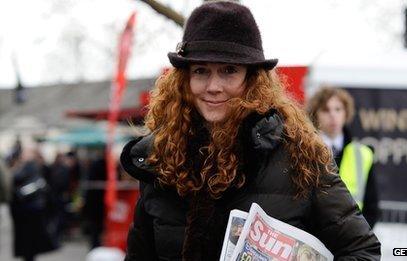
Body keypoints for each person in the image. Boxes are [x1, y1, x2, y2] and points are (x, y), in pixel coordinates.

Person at [120, 1, 381, 260]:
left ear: (253, 79)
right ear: (185, 80)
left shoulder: (301, 154)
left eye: (229, 71)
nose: (213, 86)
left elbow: (363, 251)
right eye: (200, 71)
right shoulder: (161, 158)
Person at [307, 86, 379, 228]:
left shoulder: (363, 154)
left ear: (346, 113)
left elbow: (372, 205)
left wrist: (360, 237)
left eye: (338, 109)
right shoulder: (306, 150)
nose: (333, 115)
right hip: (314, 235)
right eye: (326, 110)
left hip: (351, 235)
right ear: (315, 115)